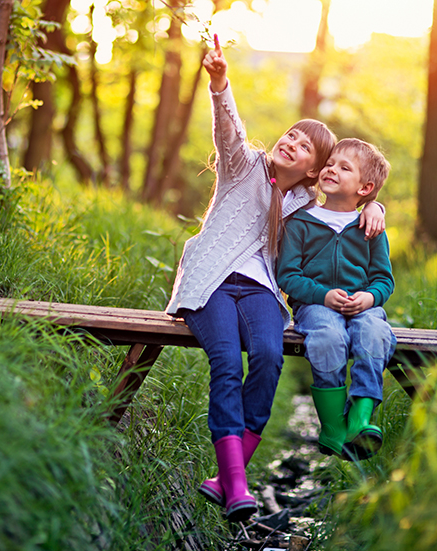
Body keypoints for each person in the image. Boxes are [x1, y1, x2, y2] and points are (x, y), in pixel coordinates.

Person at [165, 36, 385, 522]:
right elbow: (229, 130)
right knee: (226, 361)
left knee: (267, 357)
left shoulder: (305, 203)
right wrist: (220, 82)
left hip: (261, 291)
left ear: (314, 169)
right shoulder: (243, 167)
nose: (291, 143)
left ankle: (227, 477)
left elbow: (345, 205)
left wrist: (377, 206)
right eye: (291, 135)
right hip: (213, 285)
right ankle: (238, 485)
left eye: (305, 146)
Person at [276, 138, 397, 462]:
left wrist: (370, 298)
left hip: (363, 309)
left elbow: (384, 279)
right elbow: (287, 275)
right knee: (329, 337)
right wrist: (322, 295)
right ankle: (332, 427)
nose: (332, 169)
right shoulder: (300, 222)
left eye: (345, 167)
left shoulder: (371, 226)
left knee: (375, 334)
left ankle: (360, 419)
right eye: (330, 163)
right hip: (315, 306)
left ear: (365, 187)